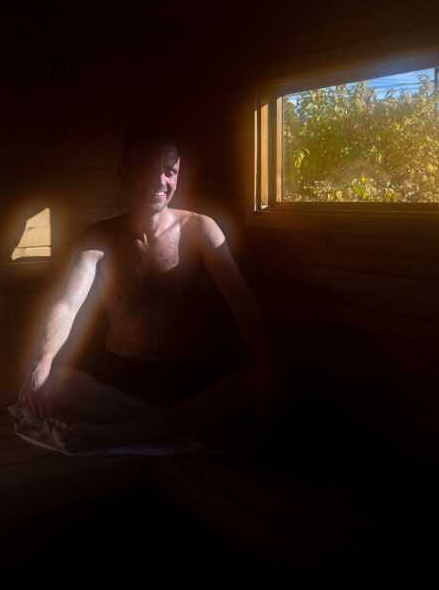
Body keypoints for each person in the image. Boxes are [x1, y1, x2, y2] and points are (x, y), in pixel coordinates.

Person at [16, 130, 276, 454]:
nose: (159, 180)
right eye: (146, 169)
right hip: (121, 379)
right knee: (54, 384)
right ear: (125, 173)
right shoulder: (99, 237)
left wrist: (265, 365)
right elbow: (67, 304)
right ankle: (171, 426)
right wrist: (42, 362)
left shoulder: (201, 229)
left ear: (177, 176)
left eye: (169, 170)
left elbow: (242, 301)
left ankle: (124, 433)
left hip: (187, 374)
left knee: (251, 382)